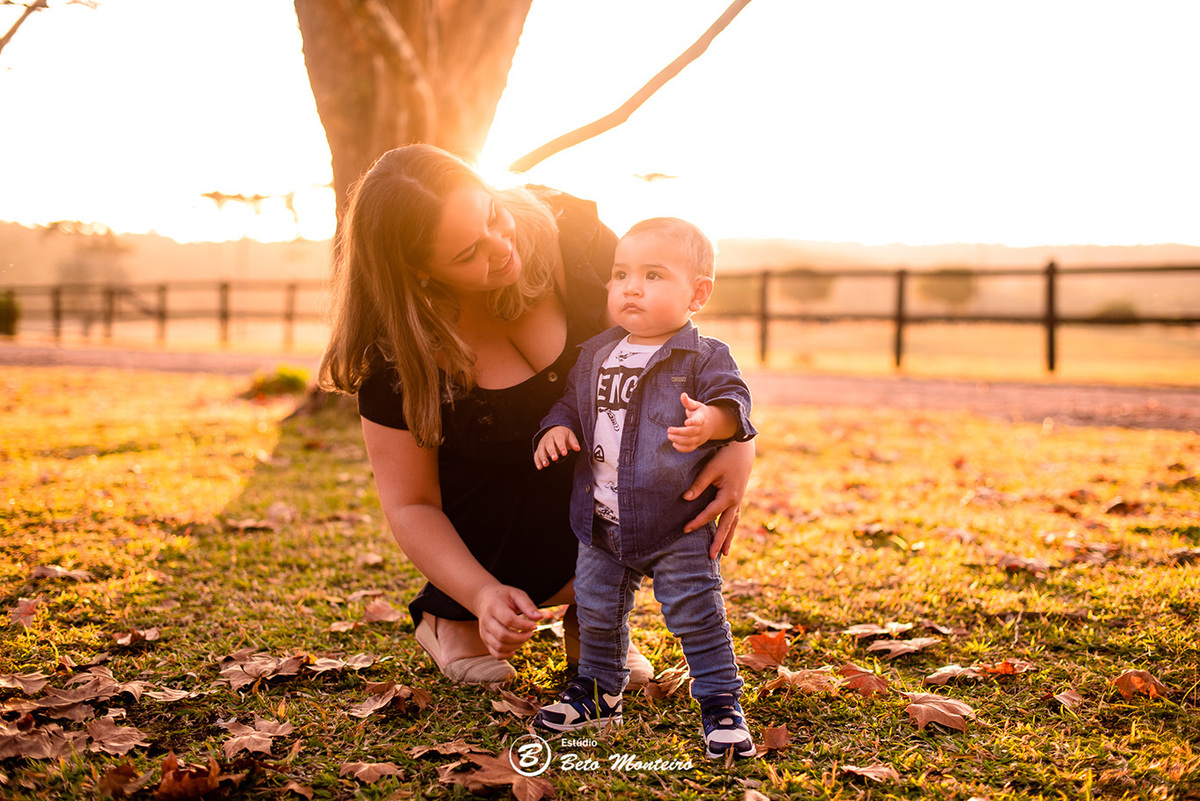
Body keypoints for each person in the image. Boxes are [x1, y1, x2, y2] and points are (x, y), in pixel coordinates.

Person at [317, 144, 755, 687]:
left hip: (601, 507)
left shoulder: (570, 237)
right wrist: (480, 593)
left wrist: (738, 443)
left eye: (493, 216)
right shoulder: (396, 354)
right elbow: (411, 504)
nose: (501, 248)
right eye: (468, 253)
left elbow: (674, 328)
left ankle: (594, 612)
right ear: (418, 270)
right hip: (488, 535)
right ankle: (451, 615)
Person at [531, 217, 757, 759]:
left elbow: (734, 402)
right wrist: (556, 428)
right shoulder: (595, 354)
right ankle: (599, 690)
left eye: (653, 275)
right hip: (601, 519)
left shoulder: (704, 356)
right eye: (621, 274)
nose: (631, 287)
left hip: (676, 520)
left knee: (696, 612)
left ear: (697, 294)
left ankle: (720, 701)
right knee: (596, 609)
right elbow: (570, 405)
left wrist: (712, 421)